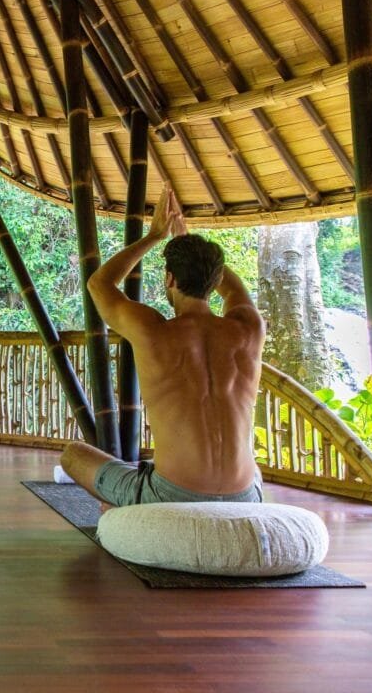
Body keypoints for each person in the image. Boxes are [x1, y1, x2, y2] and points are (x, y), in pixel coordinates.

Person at [60, 185, 266, 507]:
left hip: (173, 494)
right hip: (245, 495)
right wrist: (191, 248)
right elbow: (233, 290)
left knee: (74, 455)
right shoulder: (249, 330)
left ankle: (120, 510)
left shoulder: (152, 331)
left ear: (169, 279)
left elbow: (99, 283)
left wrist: (155, 235)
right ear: (214, 280)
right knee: (251, 469)